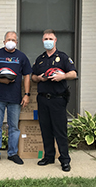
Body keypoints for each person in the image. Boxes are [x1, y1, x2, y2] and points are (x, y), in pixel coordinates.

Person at [31, 29, 77, 172]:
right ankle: (48, 156)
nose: (48, 41)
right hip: (43, 99)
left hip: (58, 99)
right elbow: (33, 77)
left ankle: (64, 160)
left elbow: (74, 73)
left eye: (50, 38)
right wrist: (39, 78)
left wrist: (62, 77)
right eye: (45, 39)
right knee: (46, 129)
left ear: (55, 40)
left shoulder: (62, 57)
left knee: (60, 130)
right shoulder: (40, 59)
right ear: (43, 41)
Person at [0, 31, 32, 165]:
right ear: (4, 41)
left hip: (15, 98)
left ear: (16, 42)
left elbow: (27, 75)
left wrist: (27, 94)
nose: (10, 41)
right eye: (8, 39)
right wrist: (1, 81)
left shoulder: (21, 57)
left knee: (14, 127)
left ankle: (12, 153)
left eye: (13, 39)